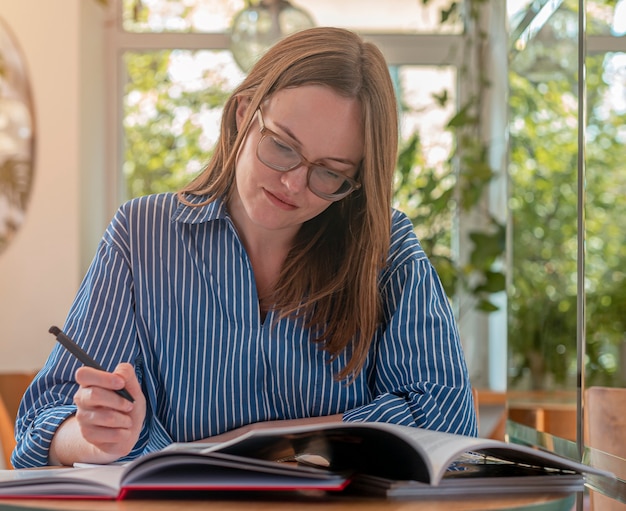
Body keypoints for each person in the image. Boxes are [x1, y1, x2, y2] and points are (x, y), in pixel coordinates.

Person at [13, 26, 477, 469]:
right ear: (243, 115)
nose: (294, 183)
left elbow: (448, 422)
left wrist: (248, 443)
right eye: (282, 146)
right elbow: (39, 425)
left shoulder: (385, 250)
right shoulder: (141, 235)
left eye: (330, 173)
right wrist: (97, 438)